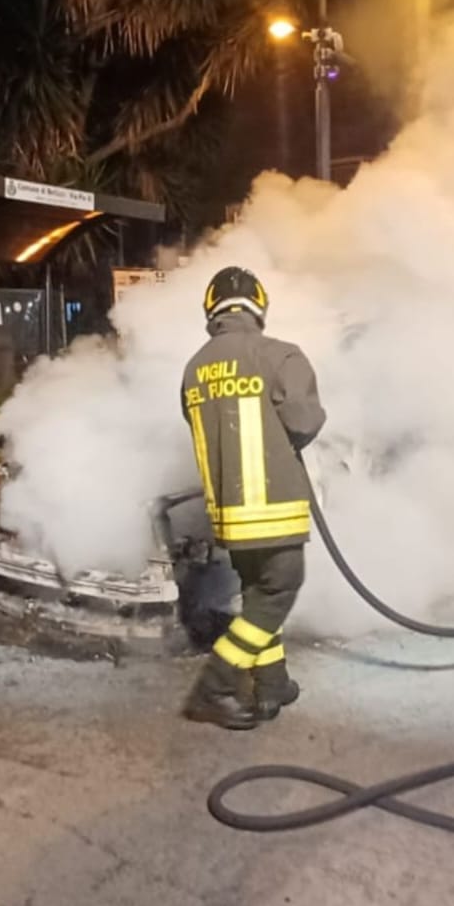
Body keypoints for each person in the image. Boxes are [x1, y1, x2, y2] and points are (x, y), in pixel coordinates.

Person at [180, 266, 327, 730]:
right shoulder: (280, 355)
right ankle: (213, 687)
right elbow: (304, 421)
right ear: (259, 305)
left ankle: (272, 685)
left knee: (256, 593)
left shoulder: (194, 369)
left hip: (228, 511)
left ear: (211, 308)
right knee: (278, 591)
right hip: (275, 506)